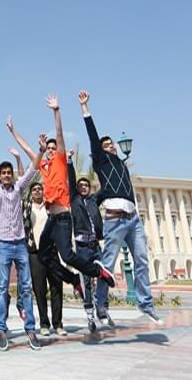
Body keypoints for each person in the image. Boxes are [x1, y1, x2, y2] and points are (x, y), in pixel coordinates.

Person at [79, 90, 162, 326]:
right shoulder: (102, 162)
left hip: (133, 219)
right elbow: (93, 138)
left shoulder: (123, 167)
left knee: (143, 260)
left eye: (112, 144)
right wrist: (86, 109)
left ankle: (145, 304)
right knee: (107, 265)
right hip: (115, 220)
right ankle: (101, 304)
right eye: (106, 145)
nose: (110, 147)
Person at [36, 96, 116, 300]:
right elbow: (31, 152)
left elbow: (60, 135)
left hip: (62, 218)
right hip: (51, 221)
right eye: (49, 150)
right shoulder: (44, 167)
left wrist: (56, 111)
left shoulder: (61, 162)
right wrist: (12, 131)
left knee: (68, 256)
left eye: (53, 149)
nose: (51, 151)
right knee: (43, 255)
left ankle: (99, 272)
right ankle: (73, 280)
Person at [0, 125, 44, 352]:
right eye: (3, 173)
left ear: (12, 175)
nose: (6, 175)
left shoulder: (18, 189)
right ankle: (2, 329)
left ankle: (30, 329)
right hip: (4, 245)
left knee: (26, 287)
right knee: (3, 287)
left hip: (21, 244)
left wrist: (41, 151)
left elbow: (33, 170)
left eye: (8, 173)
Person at [67, 150, 103, 333]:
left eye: (85, 185)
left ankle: (102, 306)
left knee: (105, 273)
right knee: (86, 281)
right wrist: (69, 161)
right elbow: (71, 181)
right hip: (82, 248)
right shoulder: (74, 200)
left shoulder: (93, 200)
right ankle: (90, 315)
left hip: (95, 245)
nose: (82, 187)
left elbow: (105, 188)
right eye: (80, 185)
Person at [23, 182, 64, 337]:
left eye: (40, 189)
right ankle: (44, 323)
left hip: (52, 252)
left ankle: (58, 323)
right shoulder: (27, 209)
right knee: (39, 289)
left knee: (56, 287)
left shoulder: (50, 207)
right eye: (34, 189)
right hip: (35, 253)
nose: (37, 191)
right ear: (31, 193)